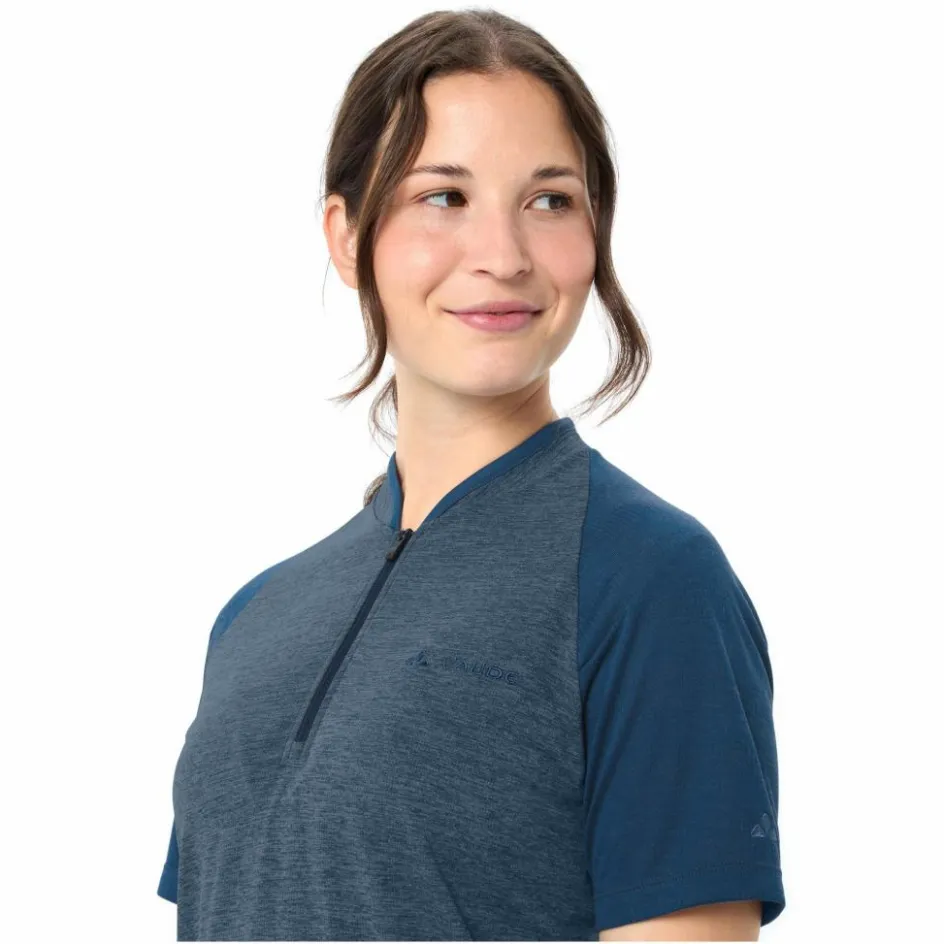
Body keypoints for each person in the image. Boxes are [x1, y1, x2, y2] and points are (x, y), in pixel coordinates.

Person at [157, 8, 785, 941]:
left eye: (550, 201)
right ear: (347, 235)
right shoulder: (254, 618)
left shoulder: (650, 581)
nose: (503, 256)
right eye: (444, 196)